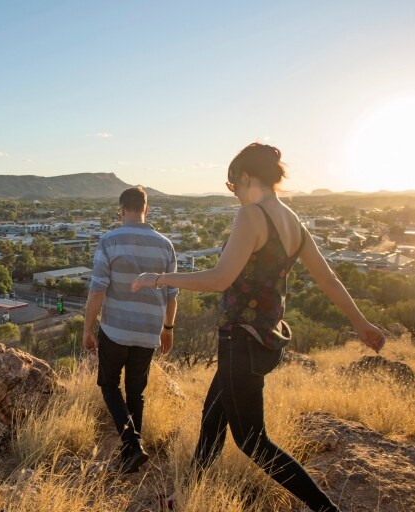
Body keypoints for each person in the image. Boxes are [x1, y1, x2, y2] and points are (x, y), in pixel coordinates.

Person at [132, 143, 385, 512]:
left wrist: (159, 278)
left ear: (246, 178)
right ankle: (182, 498)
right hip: (265, 338)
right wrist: (361, 324)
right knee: (213, 416)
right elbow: (328, 279)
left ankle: (326, 509)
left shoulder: (251, 216)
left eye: (234, 185)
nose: (234, 193)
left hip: (240, 339)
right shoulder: (292, 222)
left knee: (252, 441)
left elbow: (220, 279)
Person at [84, 186, 179, 474]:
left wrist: (88, 328)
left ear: (122, 210)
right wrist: (168, 328)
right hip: (149, 331)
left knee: (109, 385)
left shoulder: (109, 241)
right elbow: (172, 294)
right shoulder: (165, 245)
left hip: (114, 330)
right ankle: (130, 457)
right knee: (136, 392)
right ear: (146, 210)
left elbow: (98, 290)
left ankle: (132, 443)